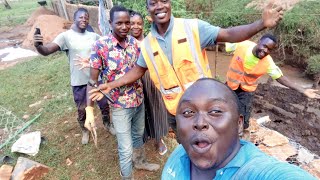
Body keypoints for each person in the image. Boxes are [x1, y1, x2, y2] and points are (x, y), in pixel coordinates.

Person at [88, 0, 284, 141]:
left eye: (163, 1)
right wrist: (110, 84)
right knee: (189, 149)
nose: (159, 6)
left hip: (206, 109)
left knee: (213, 146)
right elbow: (137, 71)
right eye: (153, 3)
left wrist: (261, 24)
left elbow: (229, 34)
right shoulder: (146, 44)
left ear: (170, 3)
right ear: (148, 9)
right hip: (178, 113)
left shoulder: (192, 28)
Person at [162, 78, 316, 179]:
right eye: (188, 112)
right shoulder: (179, 155)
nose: (200, 122)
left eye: (215, 111)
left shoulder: (257, 171)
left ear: (239, 124)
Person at [85, 6, 159, 179]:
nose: (125, 27)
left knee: (138, 135)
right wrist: (89, 110)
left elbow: (143, 68)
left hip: (138, 100)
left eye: (127, 23)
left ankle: (140, 162)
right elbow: (92, 81)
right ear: (110, 23)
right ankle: (127, 177)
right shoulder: (101, 46)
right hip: (119, 106)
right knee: (125, 148)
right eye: (119, 23)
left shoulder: (135, 44)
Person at [33, 8, 113, 145]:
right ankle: (84, 130)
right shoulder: (65, 37)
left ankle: (107, 124)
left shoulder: (93, 36)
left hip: (96, 79)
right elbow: (46, 51)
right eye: (81, 17)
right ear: (74, 19)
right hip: (79, 81)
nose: (84, 19)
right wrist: (38, 46)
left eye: (86, 17)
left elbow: (108, 45)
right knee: (82, 109)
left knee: (104, 104)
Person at [225, 34, 320, 129]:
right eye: (264, 46)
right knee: (222, 113)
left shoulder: (268, 62)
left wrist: (303, 90)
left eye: (269, 49)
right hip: (229, 86)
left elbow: (281, 78)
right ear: (259, 41)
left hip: (246, 92)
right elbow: (223, 41)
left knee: (242, 124)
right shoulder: (242, 45)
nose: (265, 51)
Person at [129, 10, 168, 155]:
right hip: (134, 81)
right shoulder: (126, 44)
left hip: (151, 80)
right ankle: (143, 136)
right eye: (132, 23)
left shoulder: (151, 40)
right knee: (140, 110)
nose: (135, 26)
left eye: (139, 23)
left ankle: (158, 139)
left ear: (143, 25)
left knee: (156, 108)